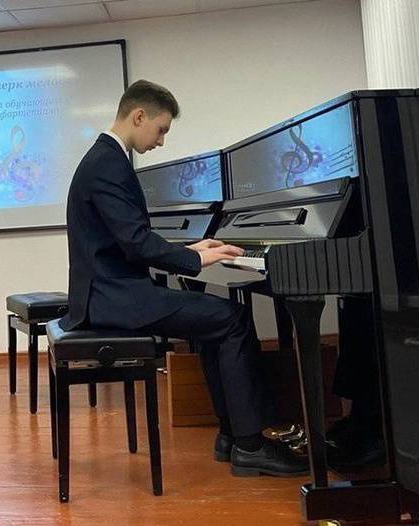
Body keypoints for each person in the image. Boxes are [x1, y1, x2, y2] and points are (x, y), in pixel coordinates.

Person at [58, 79, 308, 477]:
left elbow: (131, 240)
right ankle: (249, 445)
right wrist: (195, 258)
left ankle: (232, 435)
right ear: (138, 116)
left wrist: (193, 249)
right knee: (233, 320)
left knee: (215, 324)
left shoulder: (104, 159)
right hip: (114, 298)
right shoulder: (107, 164)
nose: (161, 141)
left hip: (111, 291)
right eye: (161, 130)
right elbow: (137, 243)